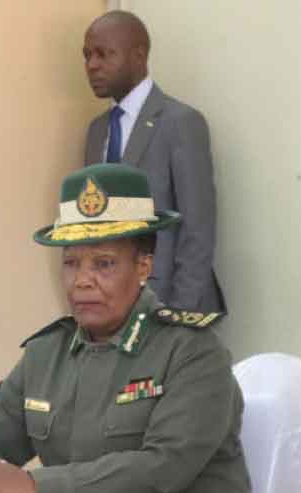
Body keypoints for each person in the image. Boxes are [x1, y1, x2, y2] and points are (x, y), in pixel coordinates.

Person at [0, 162, 267, 493]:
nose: (81, 281)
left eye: (103, 264)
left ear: (143, 266)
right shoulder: (47, 353)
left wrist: (30, 485)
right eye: (71, 263)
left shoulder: (192, 350)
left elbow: (162, 469)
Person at [82, 11, 223, 313]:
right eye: (87, 55)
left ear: (138, 56)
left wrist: (179, 316)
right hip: (111, 306)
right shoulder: (97, 131)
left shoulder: (180, 123)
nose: (92, 65)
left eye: (104, 54)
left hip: (168, 303)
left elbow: (198, 229)